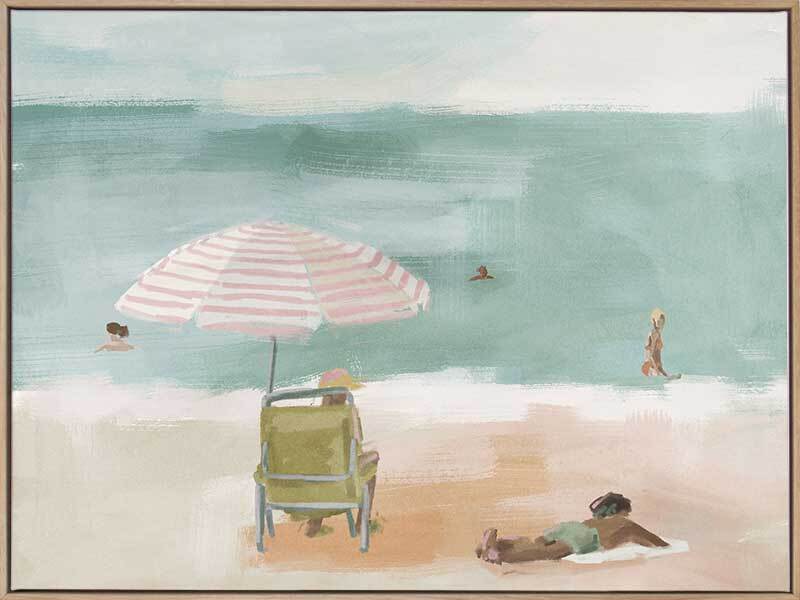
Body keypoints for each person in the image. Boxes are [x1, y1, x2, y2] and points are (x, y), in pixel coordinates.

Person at [475, 492, 668, 564]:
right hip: (586, 536)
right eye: (626, 512)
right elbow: (654, 541)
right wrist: (664, 546)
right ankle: (499, 554)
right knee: (546, 553)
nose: (627, 516)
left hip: (572, 527)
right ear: (620, 511)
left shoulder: (594, 520)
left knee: (536, 542)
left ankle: (499, 543)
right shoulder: (626, 524)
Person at [304, 368, 380, 538]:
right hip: (344, 472)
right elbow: (357, 442)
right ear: (335, 393)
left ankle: (314, 523)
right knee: (373, 458)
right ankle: (361, 523)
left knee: (325, 467)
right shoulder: (349, 412)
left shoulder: (311, 416)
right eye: (344, 388)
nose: (347, 392)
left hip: (318, 474)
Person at [641, 308, 676, 377]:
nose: (660, 324)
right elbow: (650, 355)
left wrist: (664, 373)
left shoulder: (657, 333)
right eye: (658, 321)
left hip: (656, 366)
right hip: (650, 367)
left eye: (662, 322)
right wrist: (657, 372)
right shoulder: (654, 333)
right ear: (654, 321)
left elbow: (657, 356)